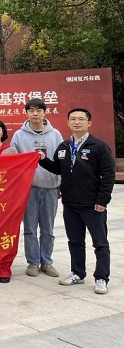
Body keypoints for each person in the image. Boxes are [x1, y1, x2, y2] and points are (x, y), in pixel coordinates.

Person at [38, 108, 115, 295]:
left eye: (81, 119)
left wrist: (102, 200)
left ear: (89, 123)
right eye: (73, 119)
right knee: (75, 241)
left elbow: (108, 176)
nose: (77, 122)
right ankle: (78, 273)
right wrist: (42, 160)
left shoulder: (99, 146)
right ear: (68, 122)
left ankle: (101, 278)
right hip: (70, 203)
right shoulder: (64, 147)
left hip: (93, 204)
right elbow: (58, 169)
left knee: (100, 243)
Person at [11, 98, 63, 279]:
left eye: (38, 110)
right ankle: (33, 262)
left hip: (50, 187)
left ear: (44, 112)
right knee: (30, 228)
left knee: (48, 229)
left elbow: (61, 161)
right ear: (26, 113)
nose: (35, 113)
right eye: (31, 110)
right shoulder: (19, 135)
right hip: (29, 189)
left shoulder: (55, 134)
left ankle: (46, 262)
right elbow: (14, 162)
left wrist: (61, 183)